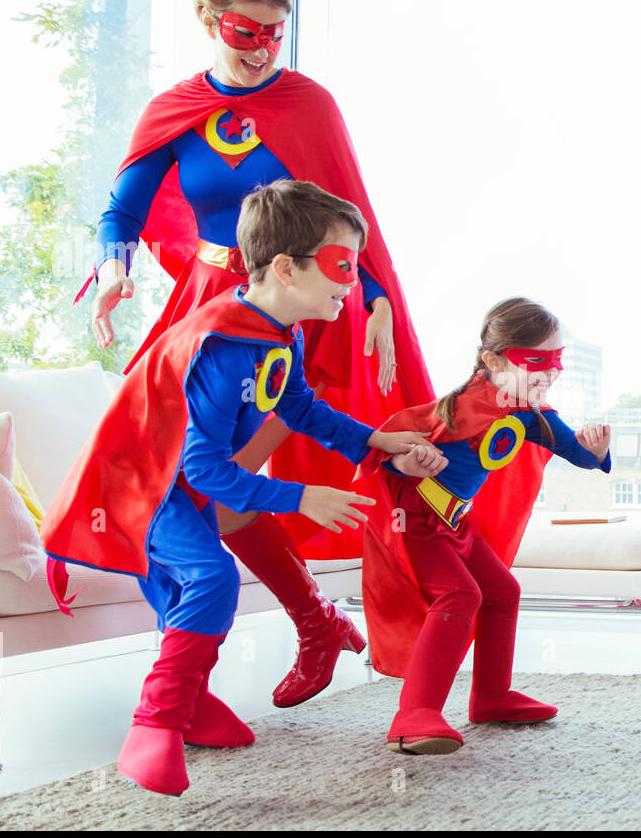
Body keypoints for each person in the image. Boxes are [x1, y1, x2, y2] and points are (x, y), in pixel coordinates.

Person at [82, 0, 433, 708]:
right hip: (203, 313)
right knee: (161, 485)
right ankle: (269, 644)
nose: (264, 46)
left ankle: (285, 637)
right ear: (210, 22)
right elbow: (122, 212)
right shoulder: (174, 110)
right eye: (247, 30)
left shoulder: (308, 105)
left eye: (278, 32)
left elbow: (346, 219)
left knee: (223, 486)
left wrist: (372, 295)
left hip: (286, 315)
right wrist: (114, 269)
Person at [41, 180, 435, 794]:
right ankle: (155, 723)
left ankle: (190, 706)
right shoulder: (224, 345)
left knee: (192, 593)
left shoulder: (278, 332)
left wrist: (370, 441)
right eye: (341, 266)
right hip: (140, 492)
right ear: (284, 266)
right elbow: (203, 470)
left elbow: (299, 407)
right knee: (210, 578)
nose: (351, 283)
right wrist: (302, 496)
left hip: (176, 488)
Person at [355, 298, 612, 755]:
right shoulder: (464, 409)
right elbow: (389, 449)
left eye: (556, 359)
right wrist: (408, 461)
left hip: (454, 521)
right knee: (461, 595)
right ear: (493, 359)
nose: (551, 371)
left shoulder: (527, 411)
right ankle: (413, 714)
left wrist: (595, 449)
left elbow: (576, 452)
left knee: (501, 592)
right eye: (536, 360)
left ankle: (491, 696)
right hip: (415, 520)